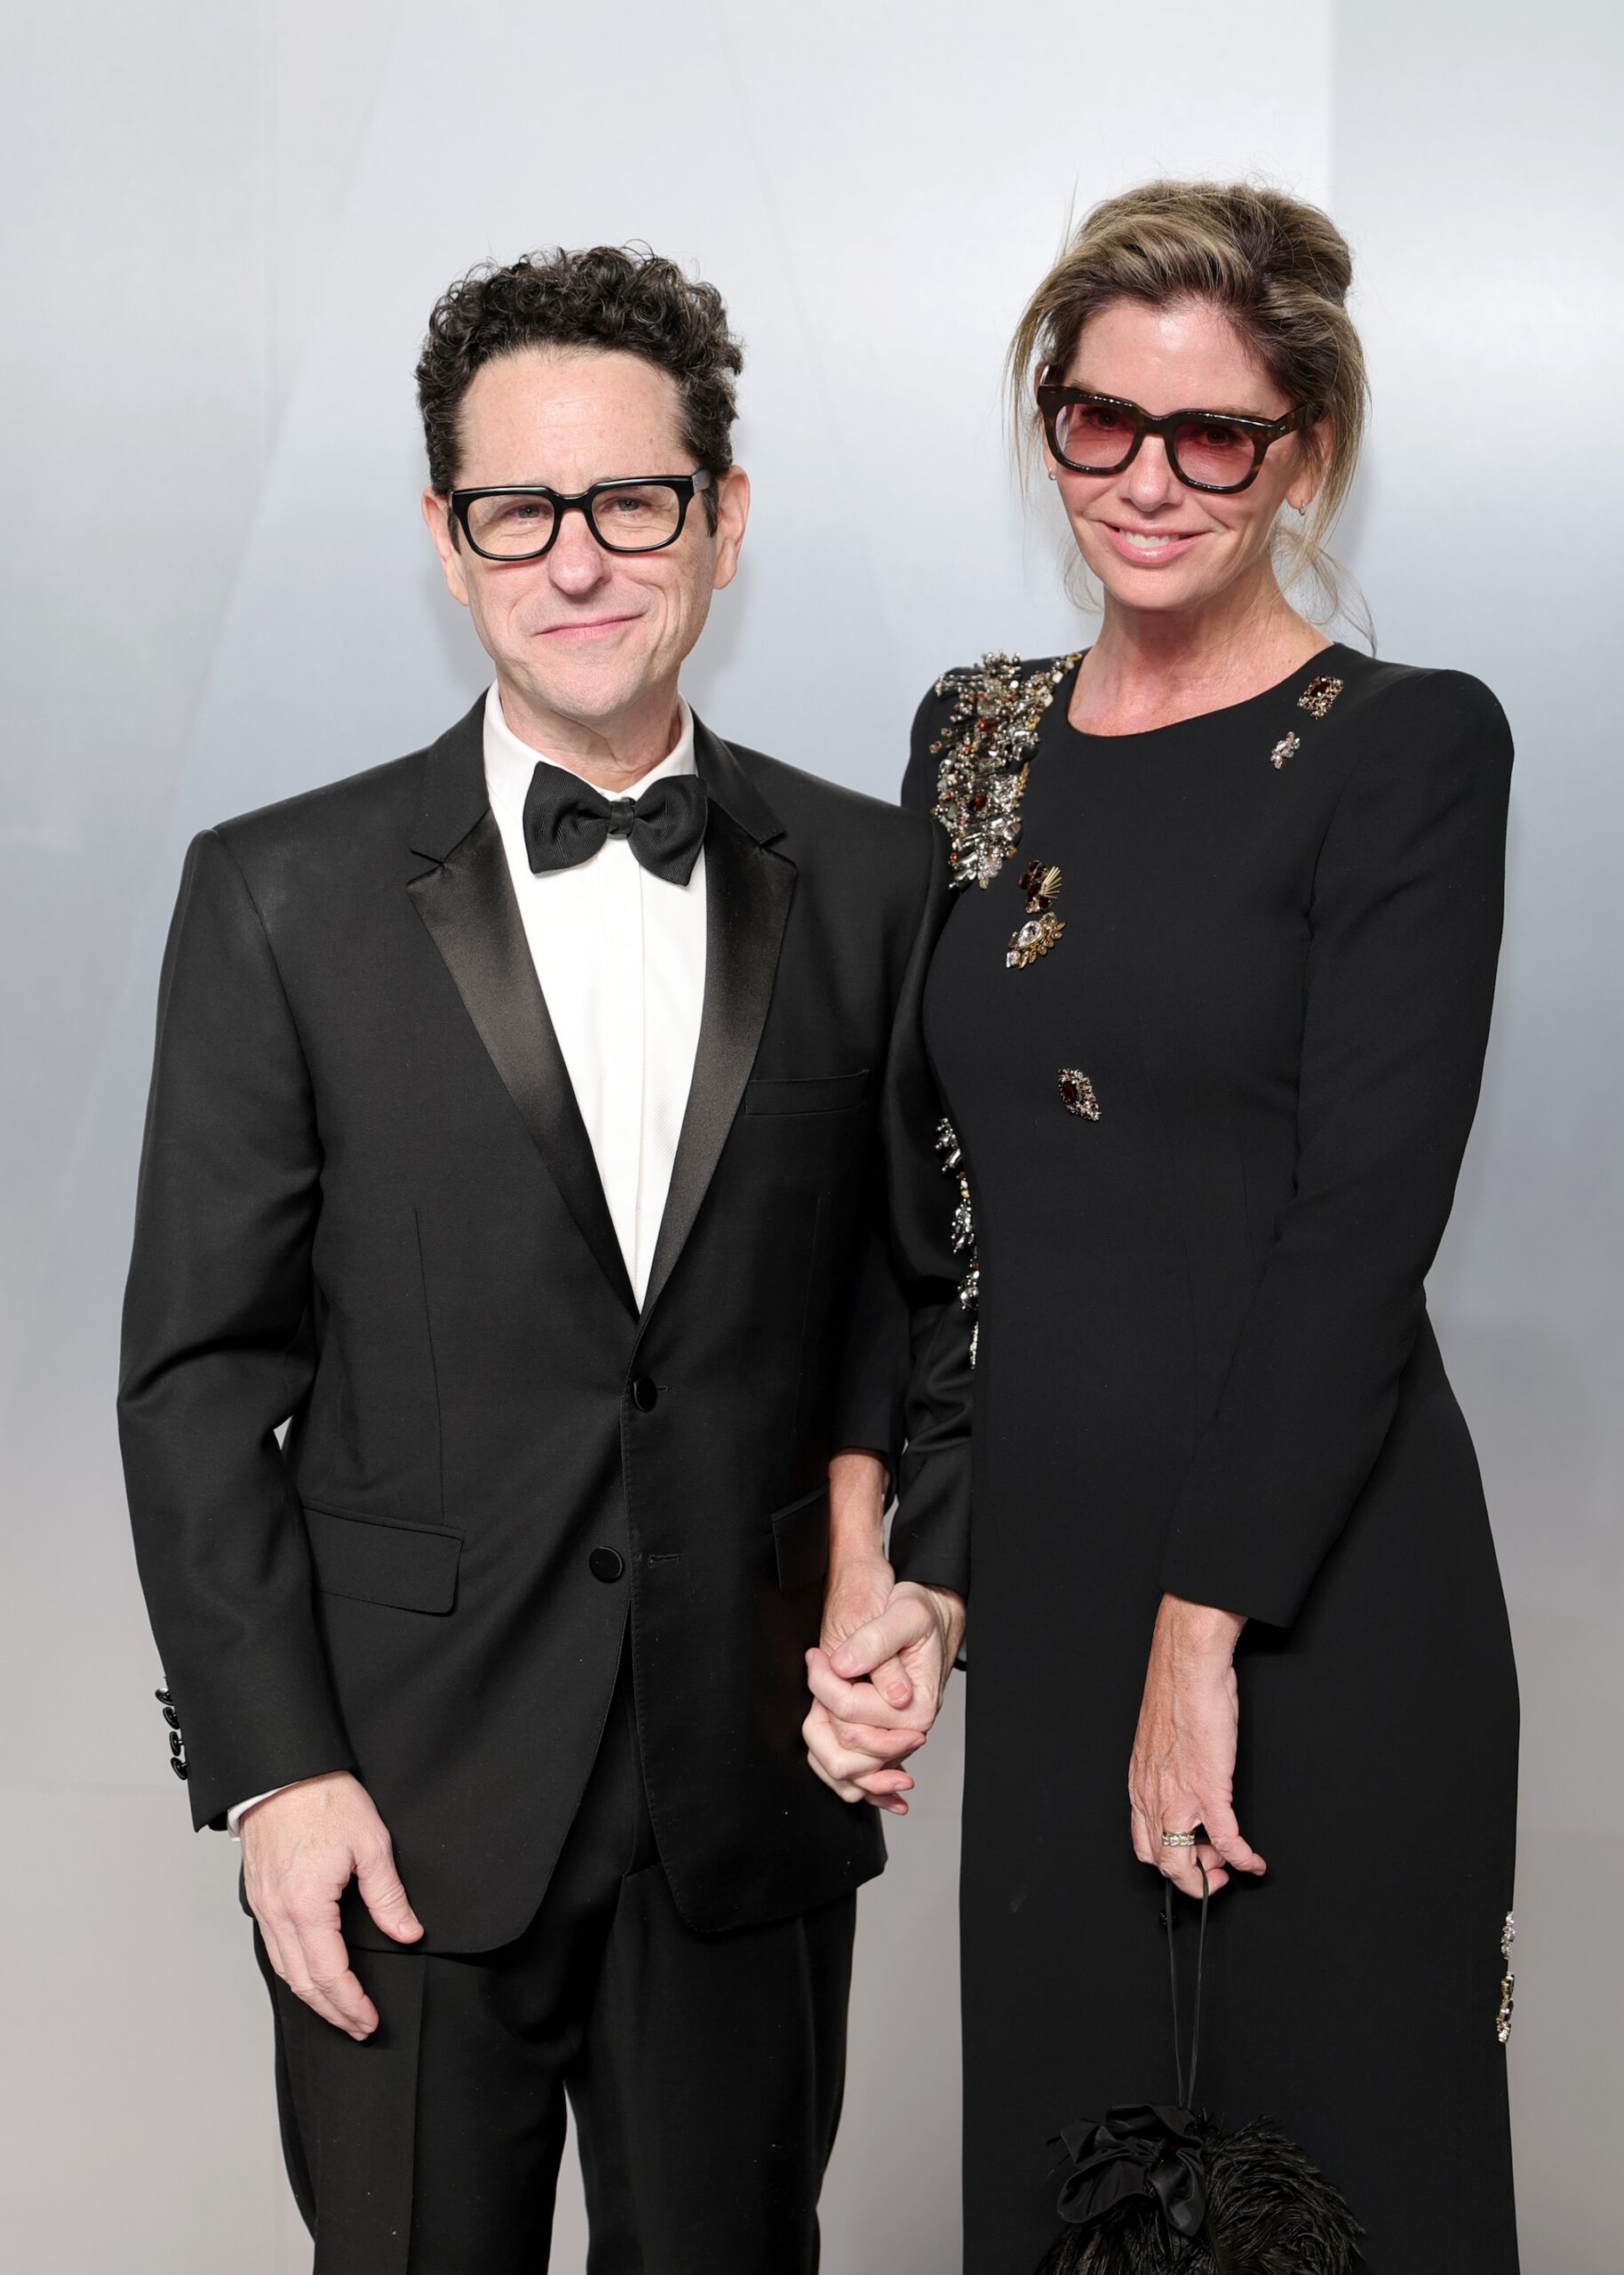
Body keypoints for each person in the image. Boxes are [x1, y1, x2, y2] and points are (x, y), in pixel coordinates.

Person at [118, 243, 971, 2274]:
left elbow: (919, 1300)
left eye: (633, 500)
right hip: (396, 1802)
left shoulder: (873, 878)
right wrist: (277, 1778)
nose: (575, 558)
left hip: (742, 1793)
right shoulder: (273, 895)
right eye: (517, 507)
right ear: (446, 534)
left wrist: (918, 1581)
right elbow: (196, 1379)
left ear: (723, 518)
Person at [808, 180, 1521, 2272]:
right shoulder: (975, 734)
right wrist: (904, 1577)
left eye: (1209, 433)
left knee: (1323, 2169)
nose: (1142, 478)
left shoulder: (1404, 747)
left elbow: (1358, 1225)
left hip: (1311, 1596)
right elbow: (908, 1199)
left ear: (1299, 447)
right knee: (1068, 2170)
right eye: (1094, 419)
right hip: (1042, 1583)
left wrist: (1199, 1633)